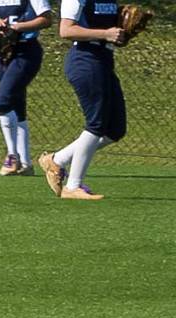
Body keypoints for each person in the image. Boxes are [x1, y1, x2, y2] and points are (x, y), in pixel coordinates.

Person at [38, 1, 127, 200]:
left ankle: (56, 160)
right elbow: (66, 30)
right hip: (85, 60)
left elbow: (111, 30)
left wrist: (121, 34)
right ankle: (73, 186)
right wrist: (106, 34)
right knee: (96, 123)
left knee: (115, 129)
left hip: (104, 60)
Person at [0, 0, 53, 176]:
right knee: (16, 106)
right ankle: (26, 163)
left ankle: (13, 156)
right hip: (5, 52)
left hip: (26, 52)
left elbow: (46, 19)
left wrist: (19, 27)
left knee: (2, 102)